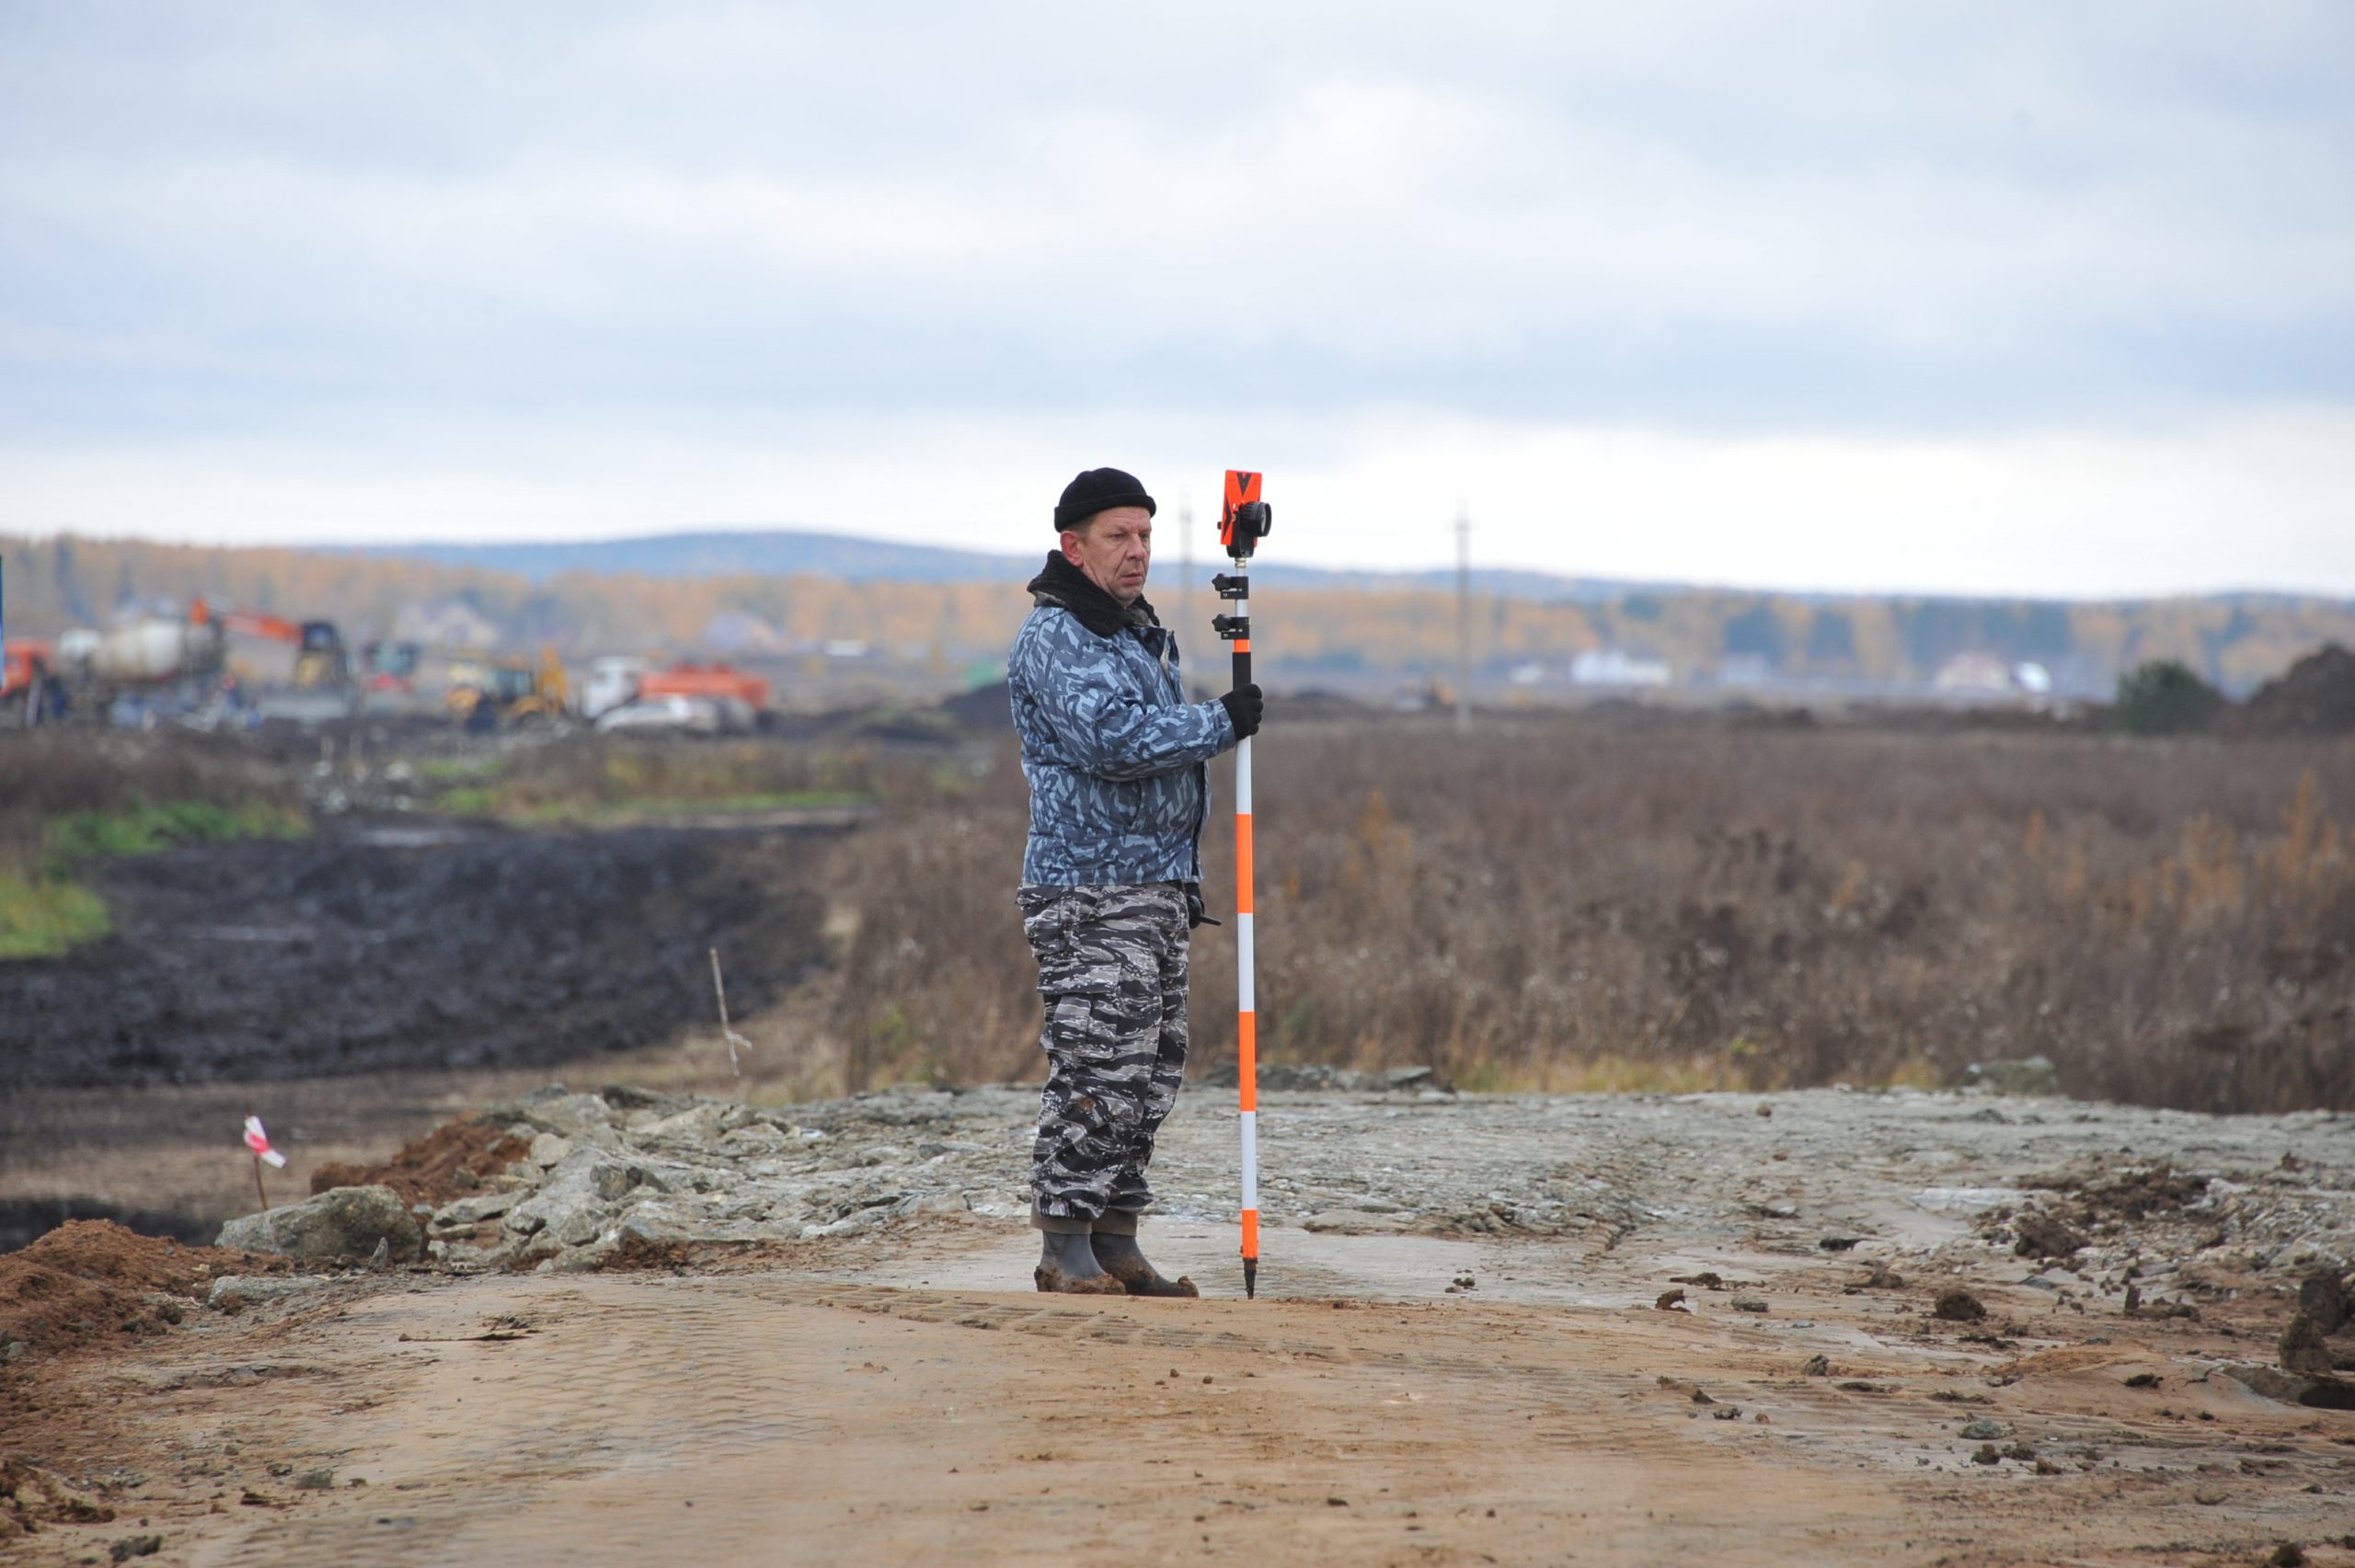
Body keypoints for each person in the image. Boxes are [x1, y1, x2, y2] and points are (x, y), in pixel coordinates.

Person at [1005, 466, 1264, 1295]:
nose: (1136, 551)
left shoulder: (1136, 633)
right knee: (1099, 1064)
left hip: (1155, 887)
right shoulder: (1056, 638)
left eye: (1145, 536)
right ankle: (1065, 1242)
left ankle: (1117, 1236)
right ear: (1072, 547)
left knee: (1151, 1071)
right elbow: (1114, 741)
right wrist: (1218, 722)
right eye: (1118, 536)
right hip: (1088, 890)